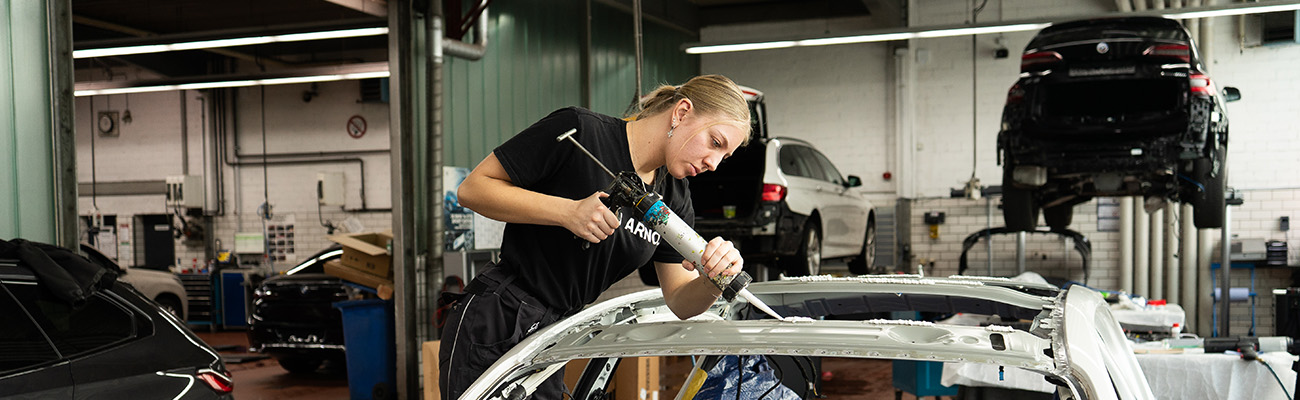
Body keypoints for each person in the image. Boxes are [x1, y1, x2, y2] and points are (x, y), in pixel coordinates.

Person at [439, 74, 753, 399]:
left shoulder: (674, 197)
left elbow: (679, 301)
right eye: (715, 143)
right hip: (499, 317)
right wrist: (567, 213)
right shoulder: (581, 131)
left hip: (555, 333)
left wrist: (715, 279)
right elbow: (473, 189)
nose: (713, 164)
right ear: (682, 112)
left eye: (724, 157)